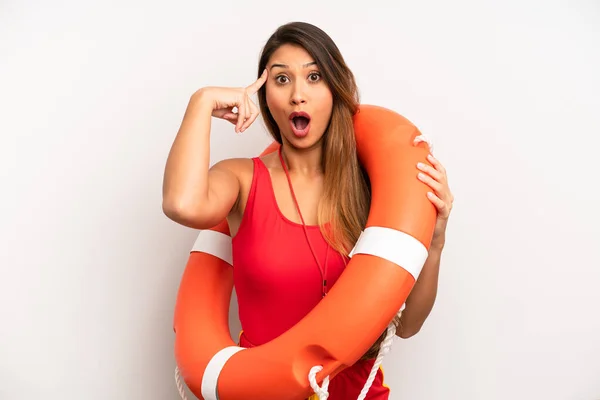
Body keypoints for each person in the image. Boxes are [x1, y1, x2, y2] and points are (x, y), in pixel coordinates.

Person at [163, 21, 453, 400]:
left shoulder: (369, 190)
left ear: (334, 89)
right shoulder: (241, 180)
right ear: (265, 95)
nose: (298, 94)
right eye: (281, 80)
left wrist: (434, 241)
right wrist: (201, 101)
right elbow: (181, 203)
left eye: (314, 77)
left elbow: (409, 324)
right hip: (262, 392)